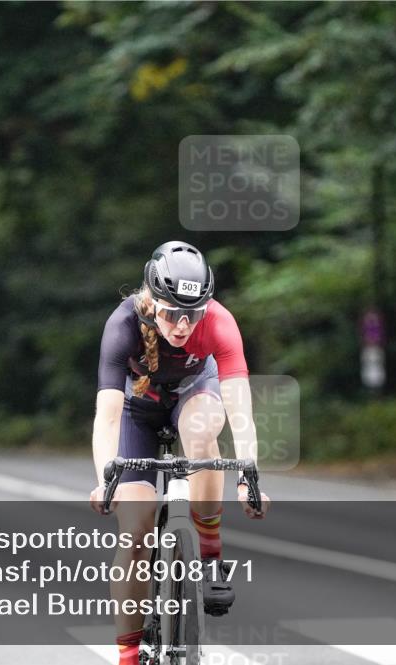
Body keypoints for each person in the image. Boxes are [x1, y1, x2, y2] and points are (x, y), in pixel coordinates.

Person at [88, 241, 270, 665]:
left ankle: (209, 553)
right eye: (172, 312)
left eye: (194, 313)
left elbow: (240, 406)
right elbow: (108, 416)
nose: (184, 325)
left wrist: (249, 476)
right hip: (137, 412)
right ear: (152, 301)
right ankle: (129, 655)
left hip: (194, 395)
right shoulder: (124, 325)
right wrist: (105, 479)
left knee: (203, 431)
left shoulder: (220, 323)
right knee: (135, 534)